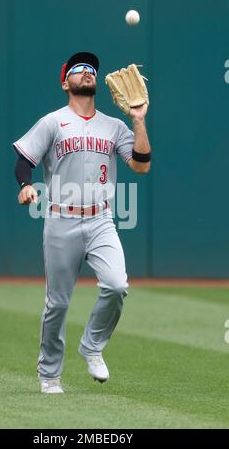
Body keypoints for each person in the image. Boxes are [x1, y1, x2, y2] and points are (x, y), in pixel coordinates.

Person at [13, 52, 151, 394]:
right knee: (58, 303)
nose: (87, 72)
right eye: (79, 70)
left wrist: (137, 120)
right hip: (61, 220)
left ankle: (92, 346)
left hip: (101, 220)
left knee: (117, 285)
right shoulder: (52, 122)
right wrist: (26, 185)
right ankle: (49, 374)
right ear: (66, 83)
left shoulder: (114, 126)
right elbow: (24, 159)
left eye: (91, 70)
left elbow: (141, 165)